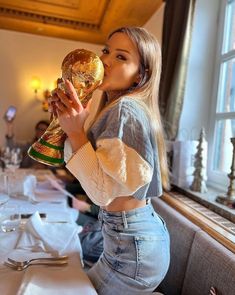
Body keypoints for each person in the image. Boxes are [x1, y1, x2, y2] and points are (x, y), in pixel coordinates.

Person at [49, 26, 170, 294]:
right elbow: (94, 178)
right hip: (130, 238)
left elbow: (101, 193)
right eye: (106, 50)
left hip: (131, 250)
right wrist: (65, 125)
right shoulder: (119, 108)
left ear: (141, 74)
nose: (104, 60)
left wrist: (76, 132)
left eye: (121, 57)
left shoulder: (125, 110)